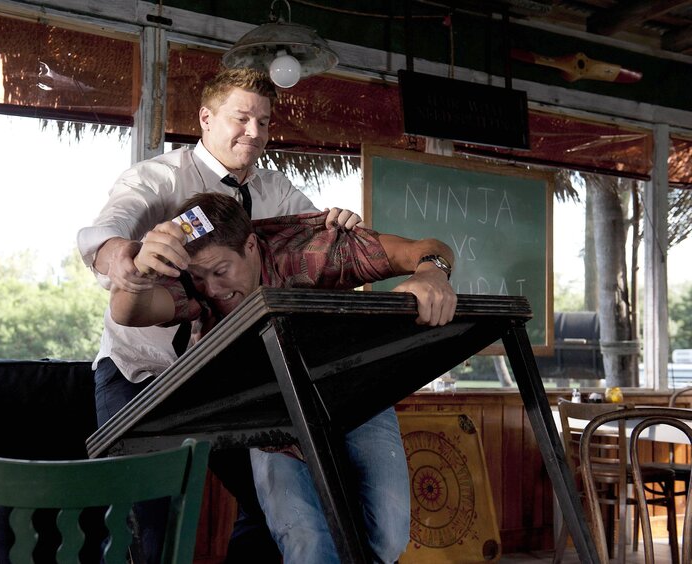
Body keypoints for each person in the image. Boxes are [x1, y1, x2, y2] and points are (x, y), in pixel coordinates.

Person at [76, 67, 362, 562]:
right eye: (241, 118)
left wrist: (339, 227)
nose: (254, 132)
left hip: (227, 378)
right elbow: (105, 232)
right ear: (206, 119)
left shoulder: (277, 192)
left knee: (275, 510)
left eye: (264, 122)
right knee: (147, 531)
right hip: (143, 374)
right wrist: (125, 255)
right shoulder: (158, 178)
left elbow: (314, 251)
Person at [109, 191, 457, 563]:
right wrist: (139, 274)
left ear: (250, 246)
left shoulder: (310, 250)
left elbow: (427, 249)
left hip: (354, 397)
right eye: (200, 277)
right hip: (274, 421)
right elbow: (129, 312)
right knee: (307, 546)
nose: (212, 289)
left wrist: (432, 273)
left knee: (387, 535)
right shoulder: (198, 285)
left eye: (221, 271)